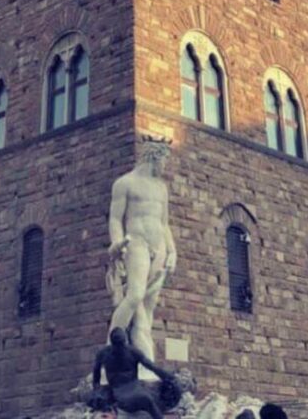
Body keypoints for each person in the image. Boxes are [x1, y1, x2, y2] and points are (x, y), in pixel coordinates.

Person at [107, 139, 176, 360]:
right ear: (154, 157)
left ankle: (146, 361)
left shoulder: (161, 188)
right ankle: (112, 348)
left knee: (147, 307)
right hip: (136, 243)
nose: (165, 166)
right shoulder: (125, 183)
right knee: (135, 294)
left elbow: (164, 223)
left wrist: (173, 251)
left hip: (160, 247)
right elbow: (115, 219)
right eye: (164, 160)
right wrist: (117, 242)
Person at [92, 326, 173, 419]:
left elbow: (151, 366)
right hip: (118, 389)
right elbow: (96, 374)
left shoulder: (131, 352)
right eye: (117, 344)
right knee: (147, 400)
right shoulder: (104, 353)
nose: (120, 347)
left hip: (132, 386)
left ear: (124, 341)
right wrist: (96, 390)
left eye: (121, 343)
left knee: (148, 399)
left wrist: (166, 376)